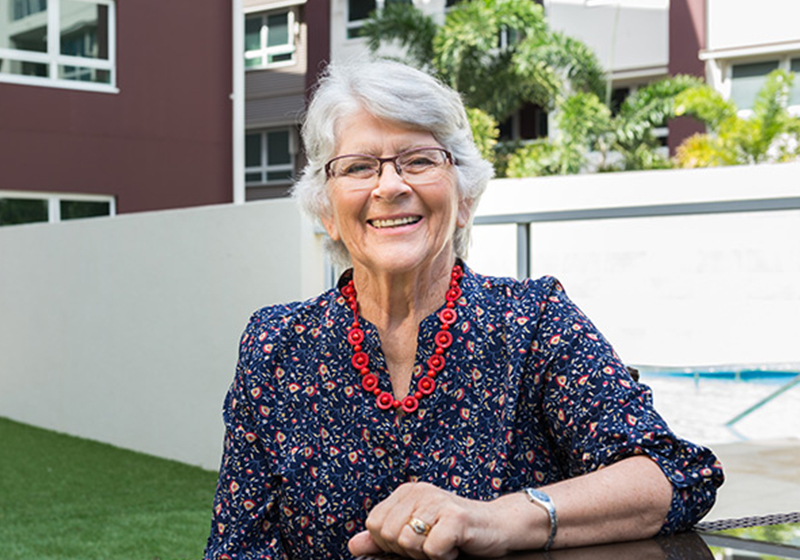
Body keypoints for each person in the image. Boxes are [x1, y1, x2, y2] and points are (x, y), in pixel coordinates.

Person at [204, 60, 724, 560]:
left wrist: (494, 519)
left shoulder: (533, 319)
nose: (390, 186)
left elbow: (669, 474)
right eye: (359, 167)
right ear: (327, 211)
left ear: (465, 197)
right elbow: (237, 546)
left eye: (420, 160)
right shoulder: (276, 344)